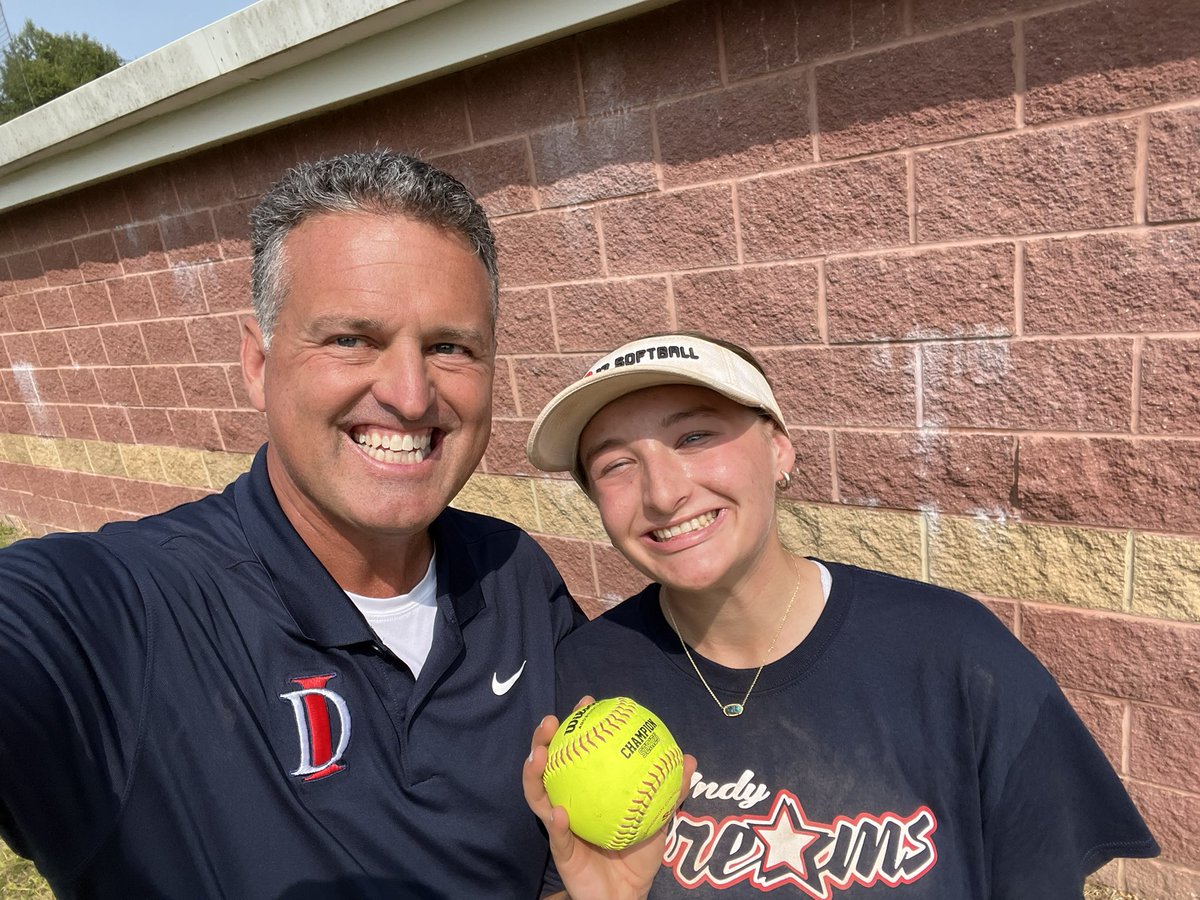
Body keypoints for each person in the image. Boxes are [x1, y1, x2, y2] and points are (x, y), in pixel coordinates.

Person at [0, 151, 584, 899]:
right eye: (351, 339)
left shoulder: (515, 580)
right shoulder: (131, 614)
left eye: (449, 347)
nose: (410, 395)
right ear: (257, 362)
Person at [523, 332, 1158, 898]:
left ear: (779, 450)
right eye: (615, 464)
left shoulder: (958, 655)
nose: (662, 493)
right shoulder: (582, 680)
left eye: (695, 436)